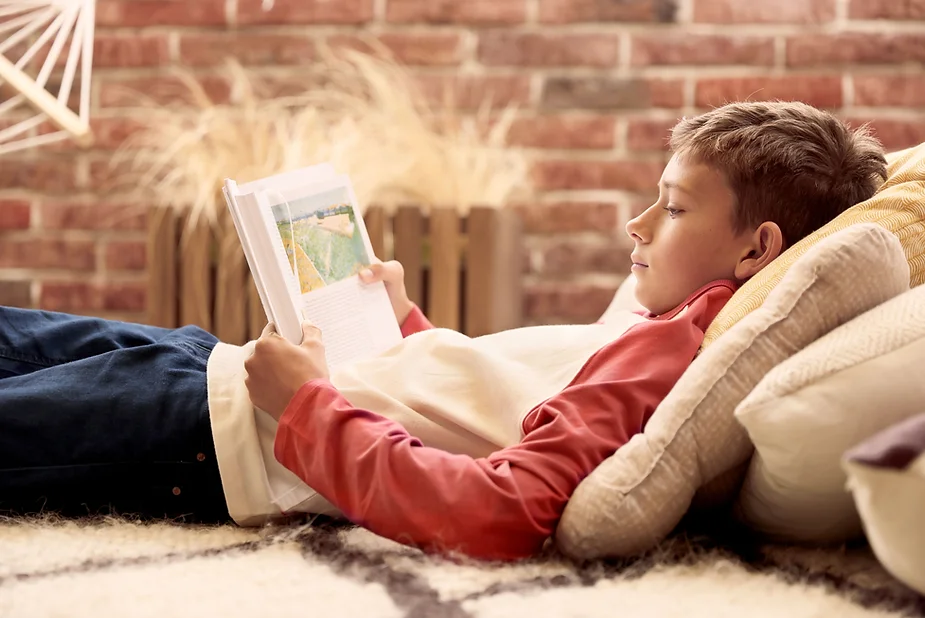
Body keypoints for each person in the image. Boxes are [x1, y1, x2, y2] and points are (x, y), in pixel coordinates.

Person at [0, 101, 887, 561]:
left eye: (673, 206)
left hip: (206, 434)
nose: (637, 225)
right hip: (209, 368)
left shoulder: (676, 357)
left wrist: (305, 406)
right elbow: (491, 402)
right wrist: (404, 324)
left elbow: (493, 511)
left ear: (756, 247)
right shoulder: (669, 328)